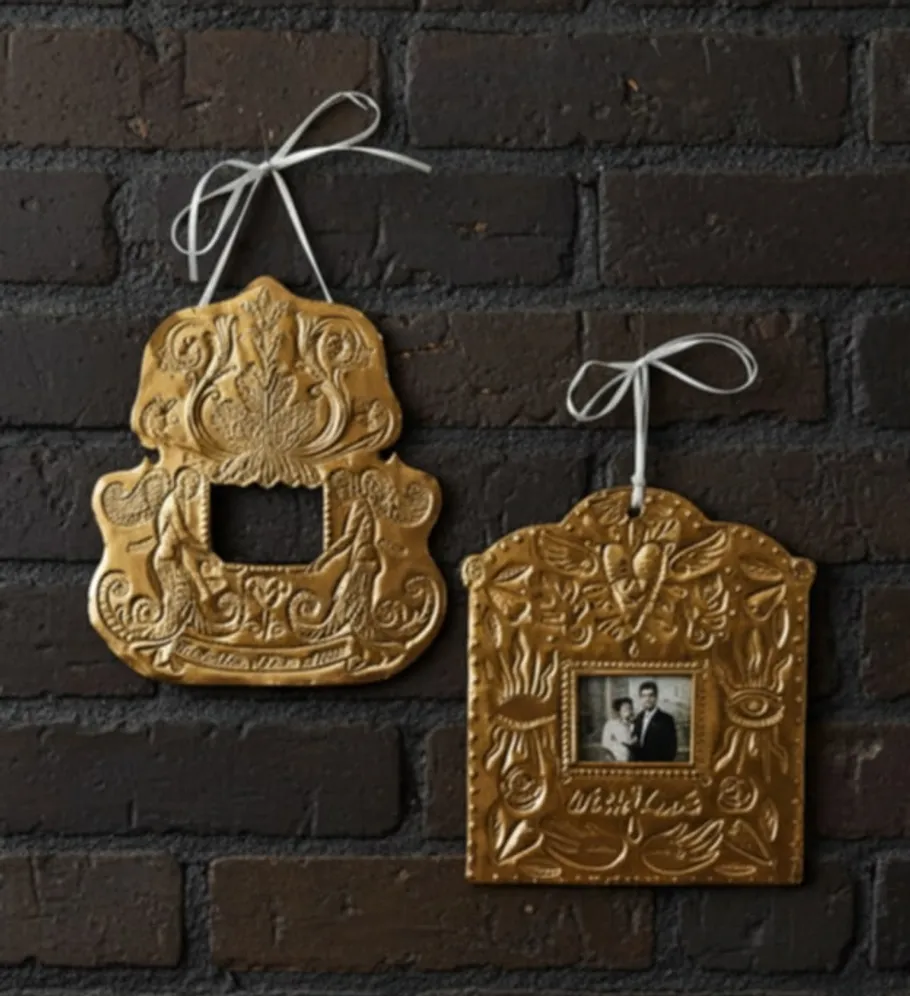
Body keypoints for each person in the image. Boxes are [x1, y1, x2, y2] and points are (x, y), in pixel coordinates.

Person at [631, 680, 678, 762]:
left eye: (651, 695)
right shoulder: (638, 718)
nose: (647, 699)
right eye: (644, 696)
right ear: (640, 698)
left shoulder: (666, 719)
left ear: (656, 697)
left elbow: (671, 750)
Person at [601, 697, 635, 762]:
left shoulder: (633, 725)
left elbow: (633, 743)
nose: (628, 710)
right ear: (619, 710)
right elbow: (605, 746)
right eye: (625, 708)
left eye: (630, 708)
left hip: (631, 760)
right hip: (615, 759)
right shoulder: (611, 724)